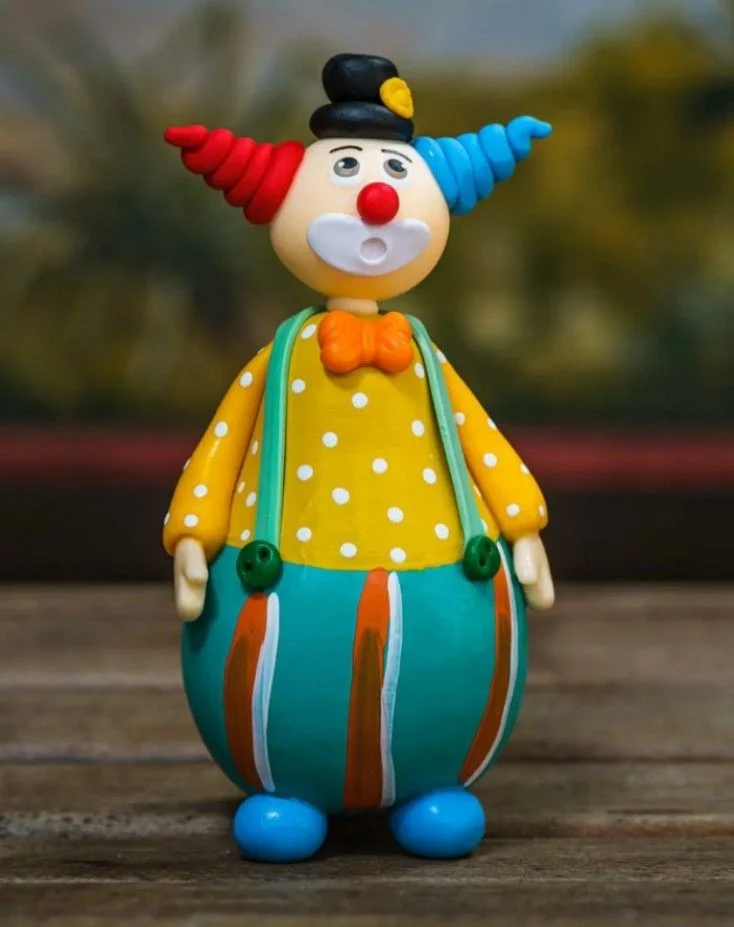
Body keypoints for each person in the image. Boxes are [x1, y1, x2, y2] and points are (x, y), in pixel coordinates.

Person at [163, 52, 554, 863]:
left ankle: (433, 787)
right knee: (276, 680)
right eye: (346, 171)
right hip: (279, 572)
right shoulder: (281, 361)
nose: (376, 199)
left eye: (391, 175)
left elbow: (477, 437)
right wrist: (194, 534)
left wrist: (522, 524)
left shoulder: (423, 358)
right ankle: (288, 791)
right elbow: (224, 444)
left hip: (449, 568)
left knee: (447, 680)